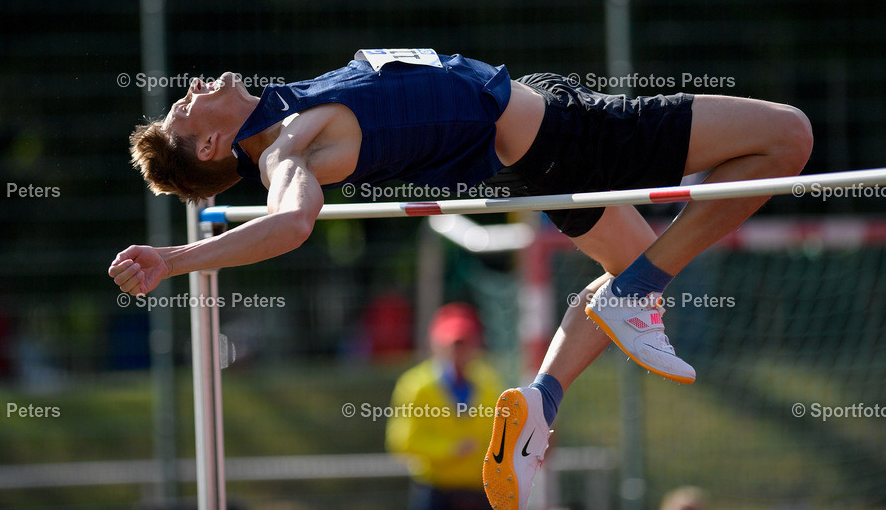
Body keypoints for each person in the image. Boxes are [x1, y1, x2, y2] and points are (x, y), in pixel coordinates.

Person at [109, 49, 812, 510]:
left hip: (541, 136)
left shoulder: (290, 107)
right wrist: (173, 260)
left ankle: (542, 400)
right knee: (788, 136)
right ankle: (637, 292)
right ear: (212, 144)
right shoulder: (286, 148)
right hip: (568, 135)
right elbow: (291, 222)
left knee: (638, 269)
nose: (194, 88)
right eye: (185, 107)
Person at [386, 302, 502, 510]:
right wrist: (450, 450)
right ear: (434, 345)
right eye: (452, 345)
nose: (457, 352)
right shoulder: (415, 385)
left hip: (481, 489)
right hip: (436, 490)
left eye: (464, 344)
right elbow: (402, 441)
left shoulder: (489, 383)